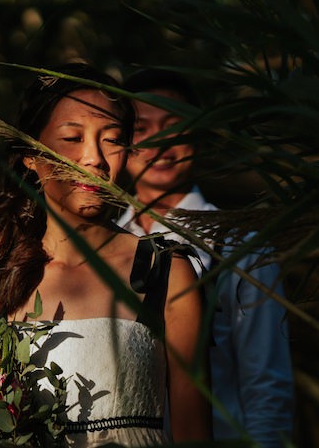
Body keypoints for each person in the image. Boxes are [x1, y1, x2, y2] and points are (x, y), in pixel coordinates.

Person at [0, 63, 212, 447]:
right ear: (30, 154)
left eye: (111, 139)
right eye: (72, 138)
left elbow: (195, 434)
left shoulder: (164, 270)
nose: (94, 158)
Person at [116, 68, 295, 448]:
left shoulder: (240, 245)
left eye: (172, 125)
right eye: (141, 129)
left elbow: (266, 384)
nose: (159, 143)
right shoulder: (103, 244)